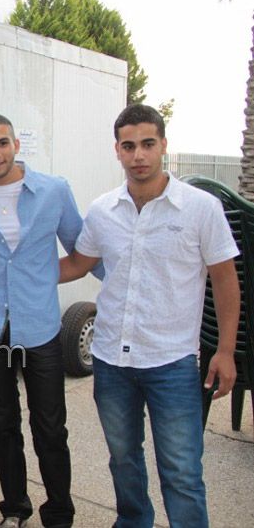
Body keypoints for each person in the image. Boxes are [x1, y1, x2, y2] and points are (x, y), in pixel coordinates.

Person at [59, 104, 240, 528]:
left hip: (171, 362)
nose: (138, 155)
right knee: (123, 459)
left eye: (147, 144)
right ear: (117, 151)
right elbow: (79, 264)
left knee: (181, 470)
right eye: (129, 146)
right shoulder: (103, 210)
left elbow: (225, 280)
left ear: (163, 145)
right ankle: (133, 521)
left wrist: (226, 350)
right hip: (111, 361)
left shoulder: (200, 208)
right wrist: (11, 272)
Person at [0, 113, 81, 528]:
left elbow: (82, 251)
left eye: (2, 143)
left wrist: (41, 279)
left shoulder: (54, 191)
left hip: (40, 326)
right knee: (3, 424)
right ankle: (14, 508)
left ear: (16, 145)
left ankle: (59, 514)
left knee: (50, 427)